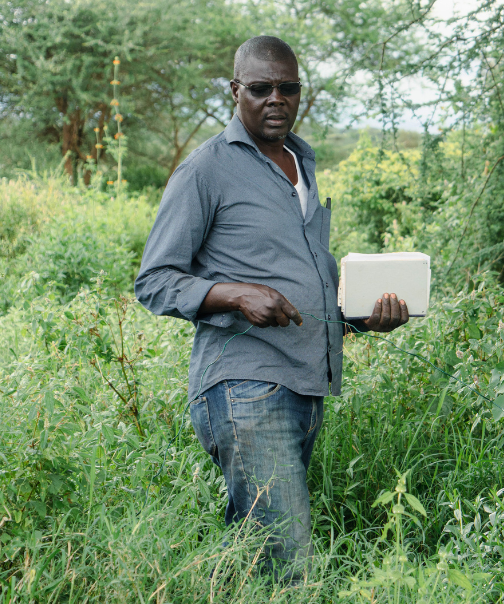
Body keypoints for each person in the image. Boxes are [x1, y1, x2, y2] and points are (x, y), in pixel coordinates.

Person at [135, 35, 409, 581]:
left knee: (257, 559)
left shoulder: (301, 162)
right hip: (246, 388)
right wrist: (235, 293)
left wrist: (359, 316)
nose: (275, 99)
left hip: (305, 388)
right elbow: (155, 281)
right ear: (236, 92)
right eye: (260, 89)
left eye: (288, 88)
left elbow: (303, 283)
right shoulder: (206, 170)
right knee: (292, 565)